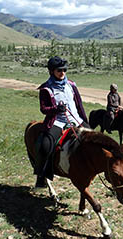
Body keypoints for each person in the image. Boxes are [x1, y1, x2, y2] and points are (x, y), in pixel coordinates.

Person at [35, 56, 89, 188]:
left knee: (94, 139)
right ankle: (41, 175)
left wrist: (85, 121)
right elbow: (43, 109)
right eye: (59, 70)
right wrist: (55, 109)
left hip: (75, 118)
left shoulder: (71, 85)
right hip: (57, 121)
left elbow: (79, 104)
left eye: (64, 69)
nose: (62, 73)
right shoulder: (46, 89)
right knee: (45, 146)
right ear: (52, 71)